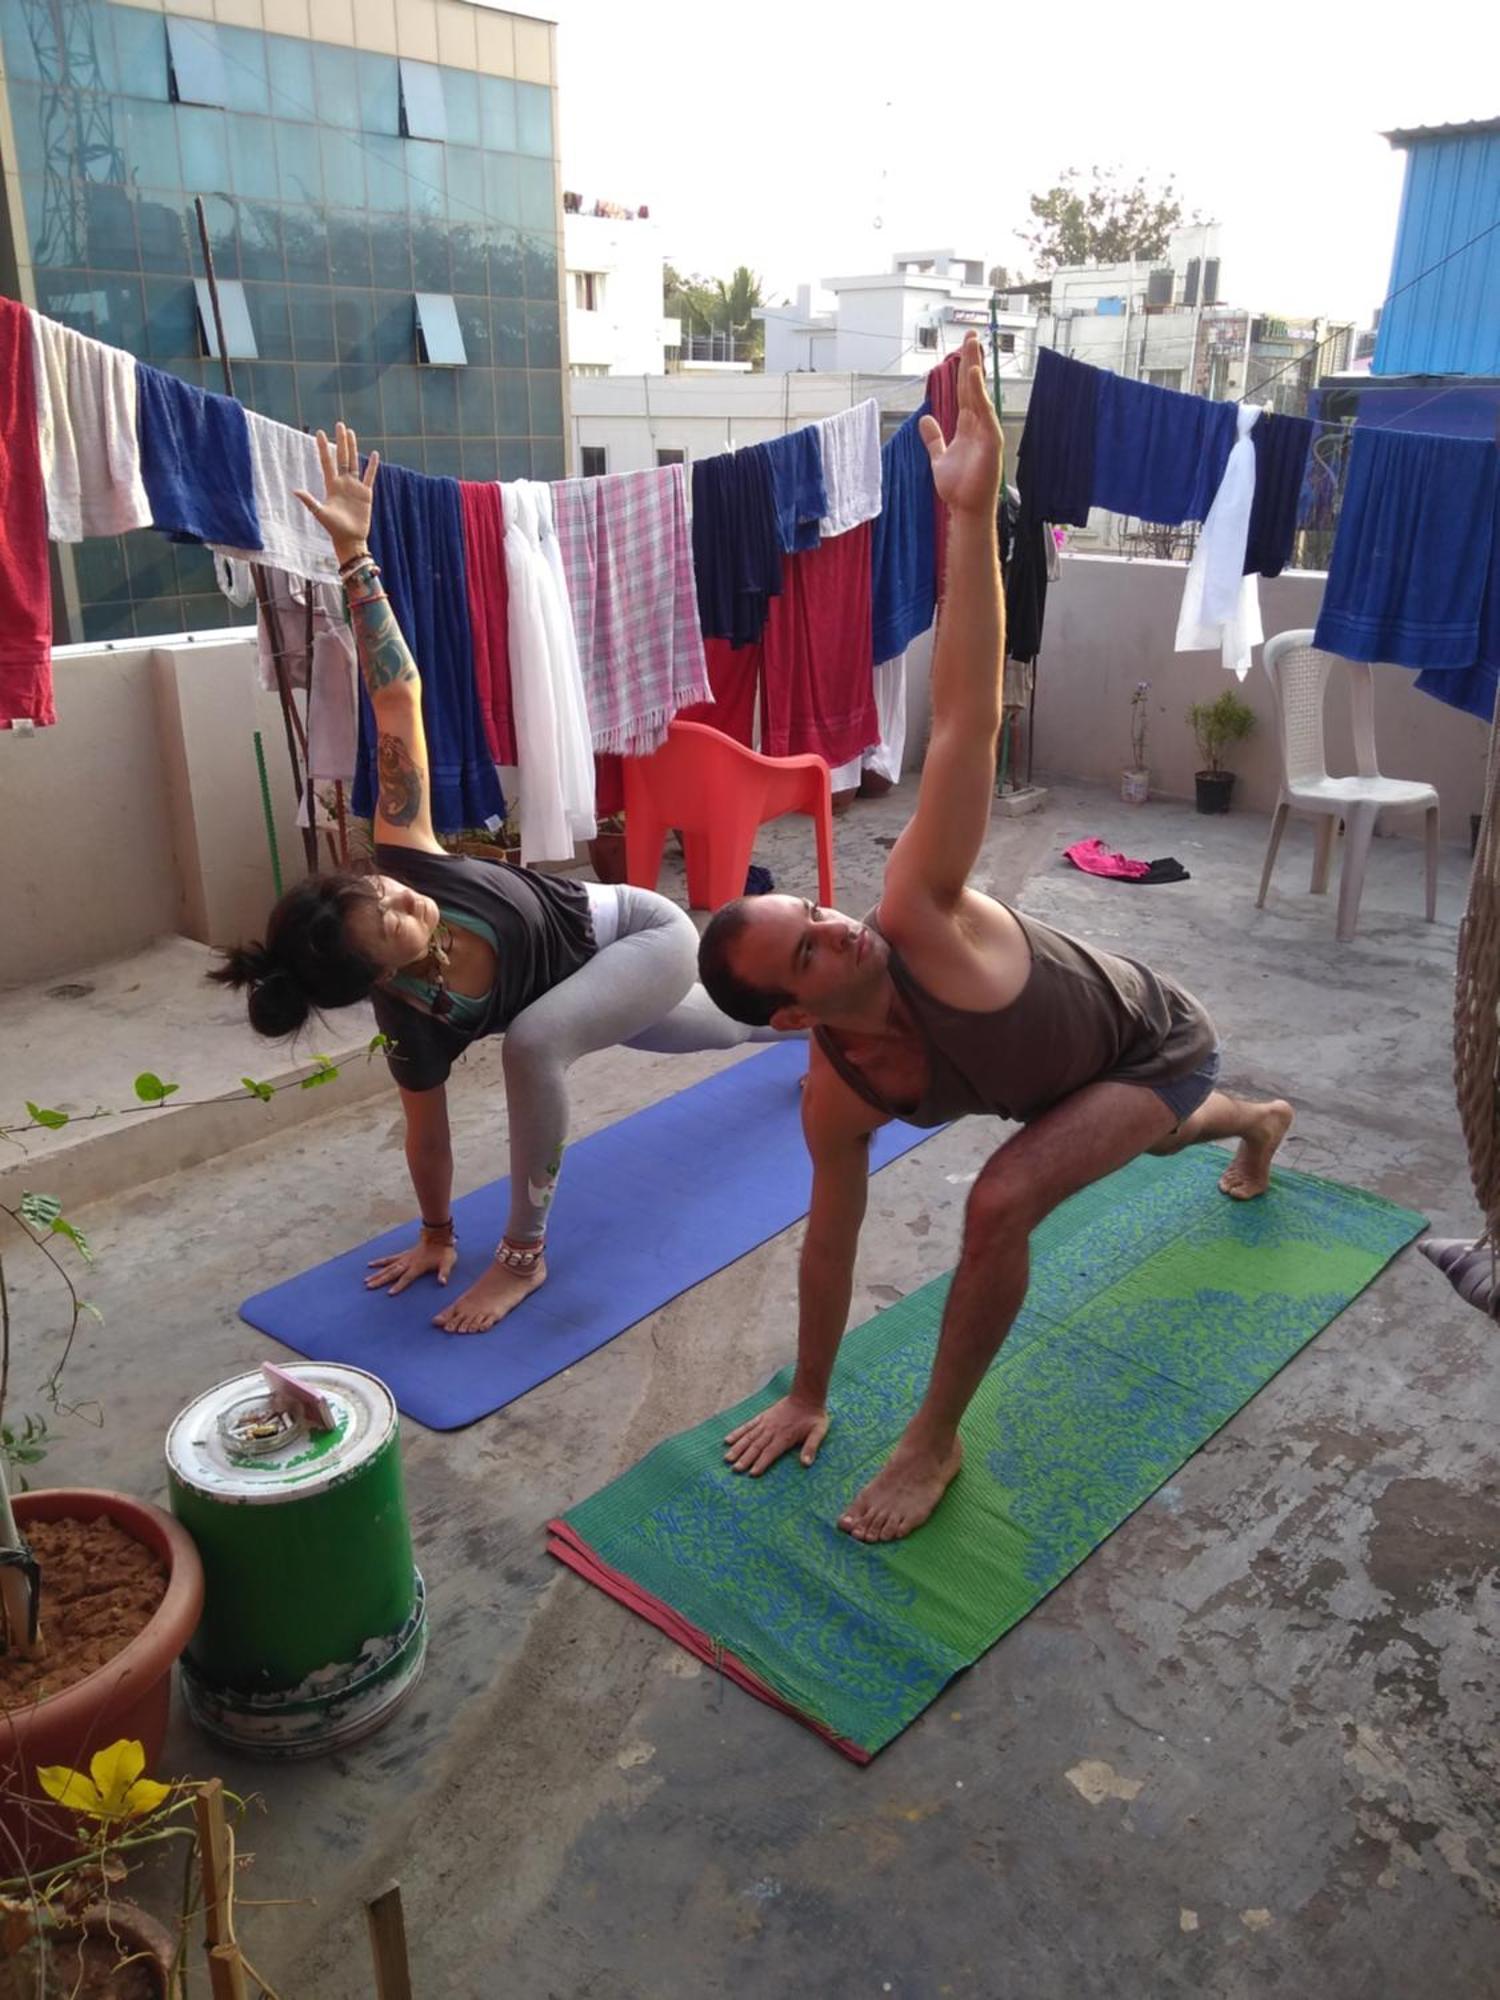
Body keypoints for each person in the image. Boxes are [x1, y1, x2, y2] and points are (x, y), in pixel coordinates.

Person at [697, 334, 1294, 1544]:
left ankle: (935, 1437)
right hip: (1068, 1079)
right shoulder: (837, 1091)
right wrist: (809, 1389)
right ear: (796, 1019)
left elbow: (968, 719)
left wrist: (969, 516)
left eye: (814, 911)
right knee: (1175, 1140)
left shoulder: (912, 911)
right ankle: (1262, 1120)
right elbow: (829, 1242)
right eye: (806, 951)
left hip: (1150, 1038)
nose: (835, 926)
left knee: (1004, 1197)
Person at [213, 424, 782, 1334]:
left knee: (532, 1045)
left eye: (386, 893)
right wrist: (436, 1232)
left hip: (640, 933)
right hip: (587, 992)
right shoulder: (412, 1023)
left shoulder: (405, 846)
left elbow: (397, 700)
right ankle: (816, 1027)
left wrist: (356, 555)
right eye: (395, 923)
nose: (408, 898)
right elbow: (427, 1133)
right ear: (381, 979)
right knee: (725, 1034)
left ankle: (525, 1257)